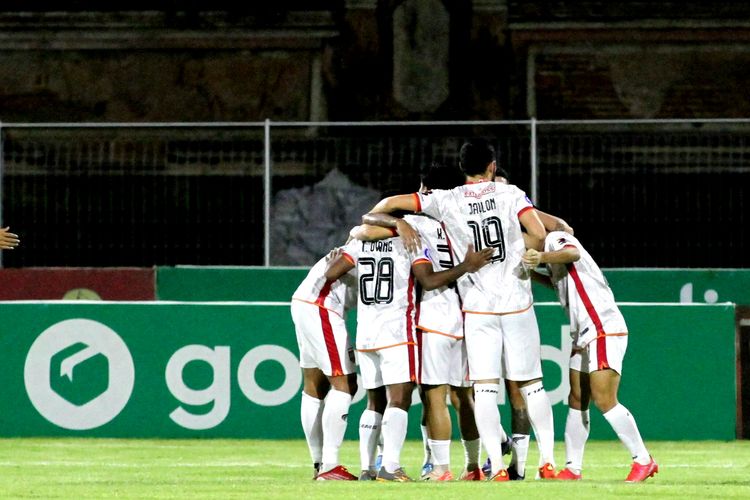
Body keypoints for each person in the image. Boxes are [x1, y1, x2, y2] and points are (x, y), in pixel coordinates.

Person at [365, 139, 557, 481]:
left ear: (461, 168)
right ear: (493, 166)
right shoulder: (511, 193)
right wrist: (521, 252)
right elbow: (540, 233)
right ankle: (543, 461)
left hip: (472, 308)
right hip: (512, 302)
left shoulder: (444, 202)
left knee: (475, 389)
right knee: (529, 385)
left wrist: (400, 222)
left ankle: (484, 466)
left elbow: (380, 211)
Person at [325, 223, 492, 481]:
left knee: (375, 402)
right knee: (403, 399)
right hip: (398, 330)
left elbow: (331, 273)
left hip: (366, 331)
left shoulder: (361, 239)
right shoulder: (412, 239)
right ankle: (392, 467)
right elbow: (428, 279)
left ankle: (368, 468)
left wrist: (356, 239)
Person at [355, 162, 487, 481]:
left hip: (433, 315)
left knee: (433, 396)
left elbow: (363, 228)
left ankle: (438, 467)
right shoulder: (466, 221)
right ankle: (475, 465)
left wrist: (397, 223)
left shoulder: (416, 222)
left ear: (425, 190)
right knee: (464, 396)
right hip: (470, 314)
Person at [522, 231, 658, 482]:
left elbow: (572, 253)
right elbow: (558, 282)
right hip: (584, 332)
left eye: (524, 237)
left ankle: (643, 460)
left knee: (605, 399)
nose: (522, 243)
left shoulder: (554, 238)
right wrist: (531, 273)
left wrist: (540, 256)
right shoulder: (551, 258)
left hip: (601, 327)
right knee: (577, 398)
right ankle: (573, 468)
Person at [290, 250, 359, 480]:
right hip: (321, 305)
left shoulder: (363, 238)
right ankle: (330, 466)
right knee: (344, 384)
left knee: (314, 387)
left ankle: (319, 464)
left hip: (305, 299)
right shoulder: (372, 240)